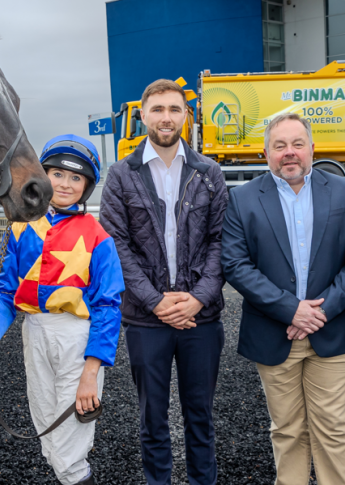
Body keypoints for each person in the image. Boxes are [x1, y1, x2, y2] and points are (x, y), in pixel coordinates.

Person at [0, 134, 124, 485]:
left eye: (76, 178)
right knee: (47, 428)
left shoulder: (98, 237)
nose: (65, 184)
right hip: (34, 331)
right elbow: (5, 291)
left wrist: (91, 373)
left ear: (87, 186)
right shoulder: (20, 227)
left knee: (70, 442)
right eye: (58, 174)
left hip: (77, 338)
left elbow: (109, 307)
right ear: (42, 176)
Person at [221, 113, 345, 484]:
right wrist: (291, 310)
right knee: (286, 431)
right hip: (274, 334)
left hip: (331, 331)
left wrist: (320, 312)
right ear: (266, 152)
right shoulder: (241, 199)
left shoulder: (344, 191)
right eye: (280, 145)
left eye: (297, 144)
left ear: (312, 148)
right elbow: (236, 265)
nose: (290, 153)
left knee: (334, 430)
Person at [99, 79, 228, 485]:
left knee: (200, 417)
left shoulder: (210, 173)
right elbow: (117, 245)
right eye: (158, 109)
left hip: (200, 320)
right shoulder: (120, 175)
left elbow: (222, 241)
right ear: (143, 115)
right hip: (144, 319)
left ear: (186, 116)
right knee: (152, 418)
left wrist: (198, 299)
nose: (166, 117)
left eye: (175, 109)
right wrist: (156, 302)